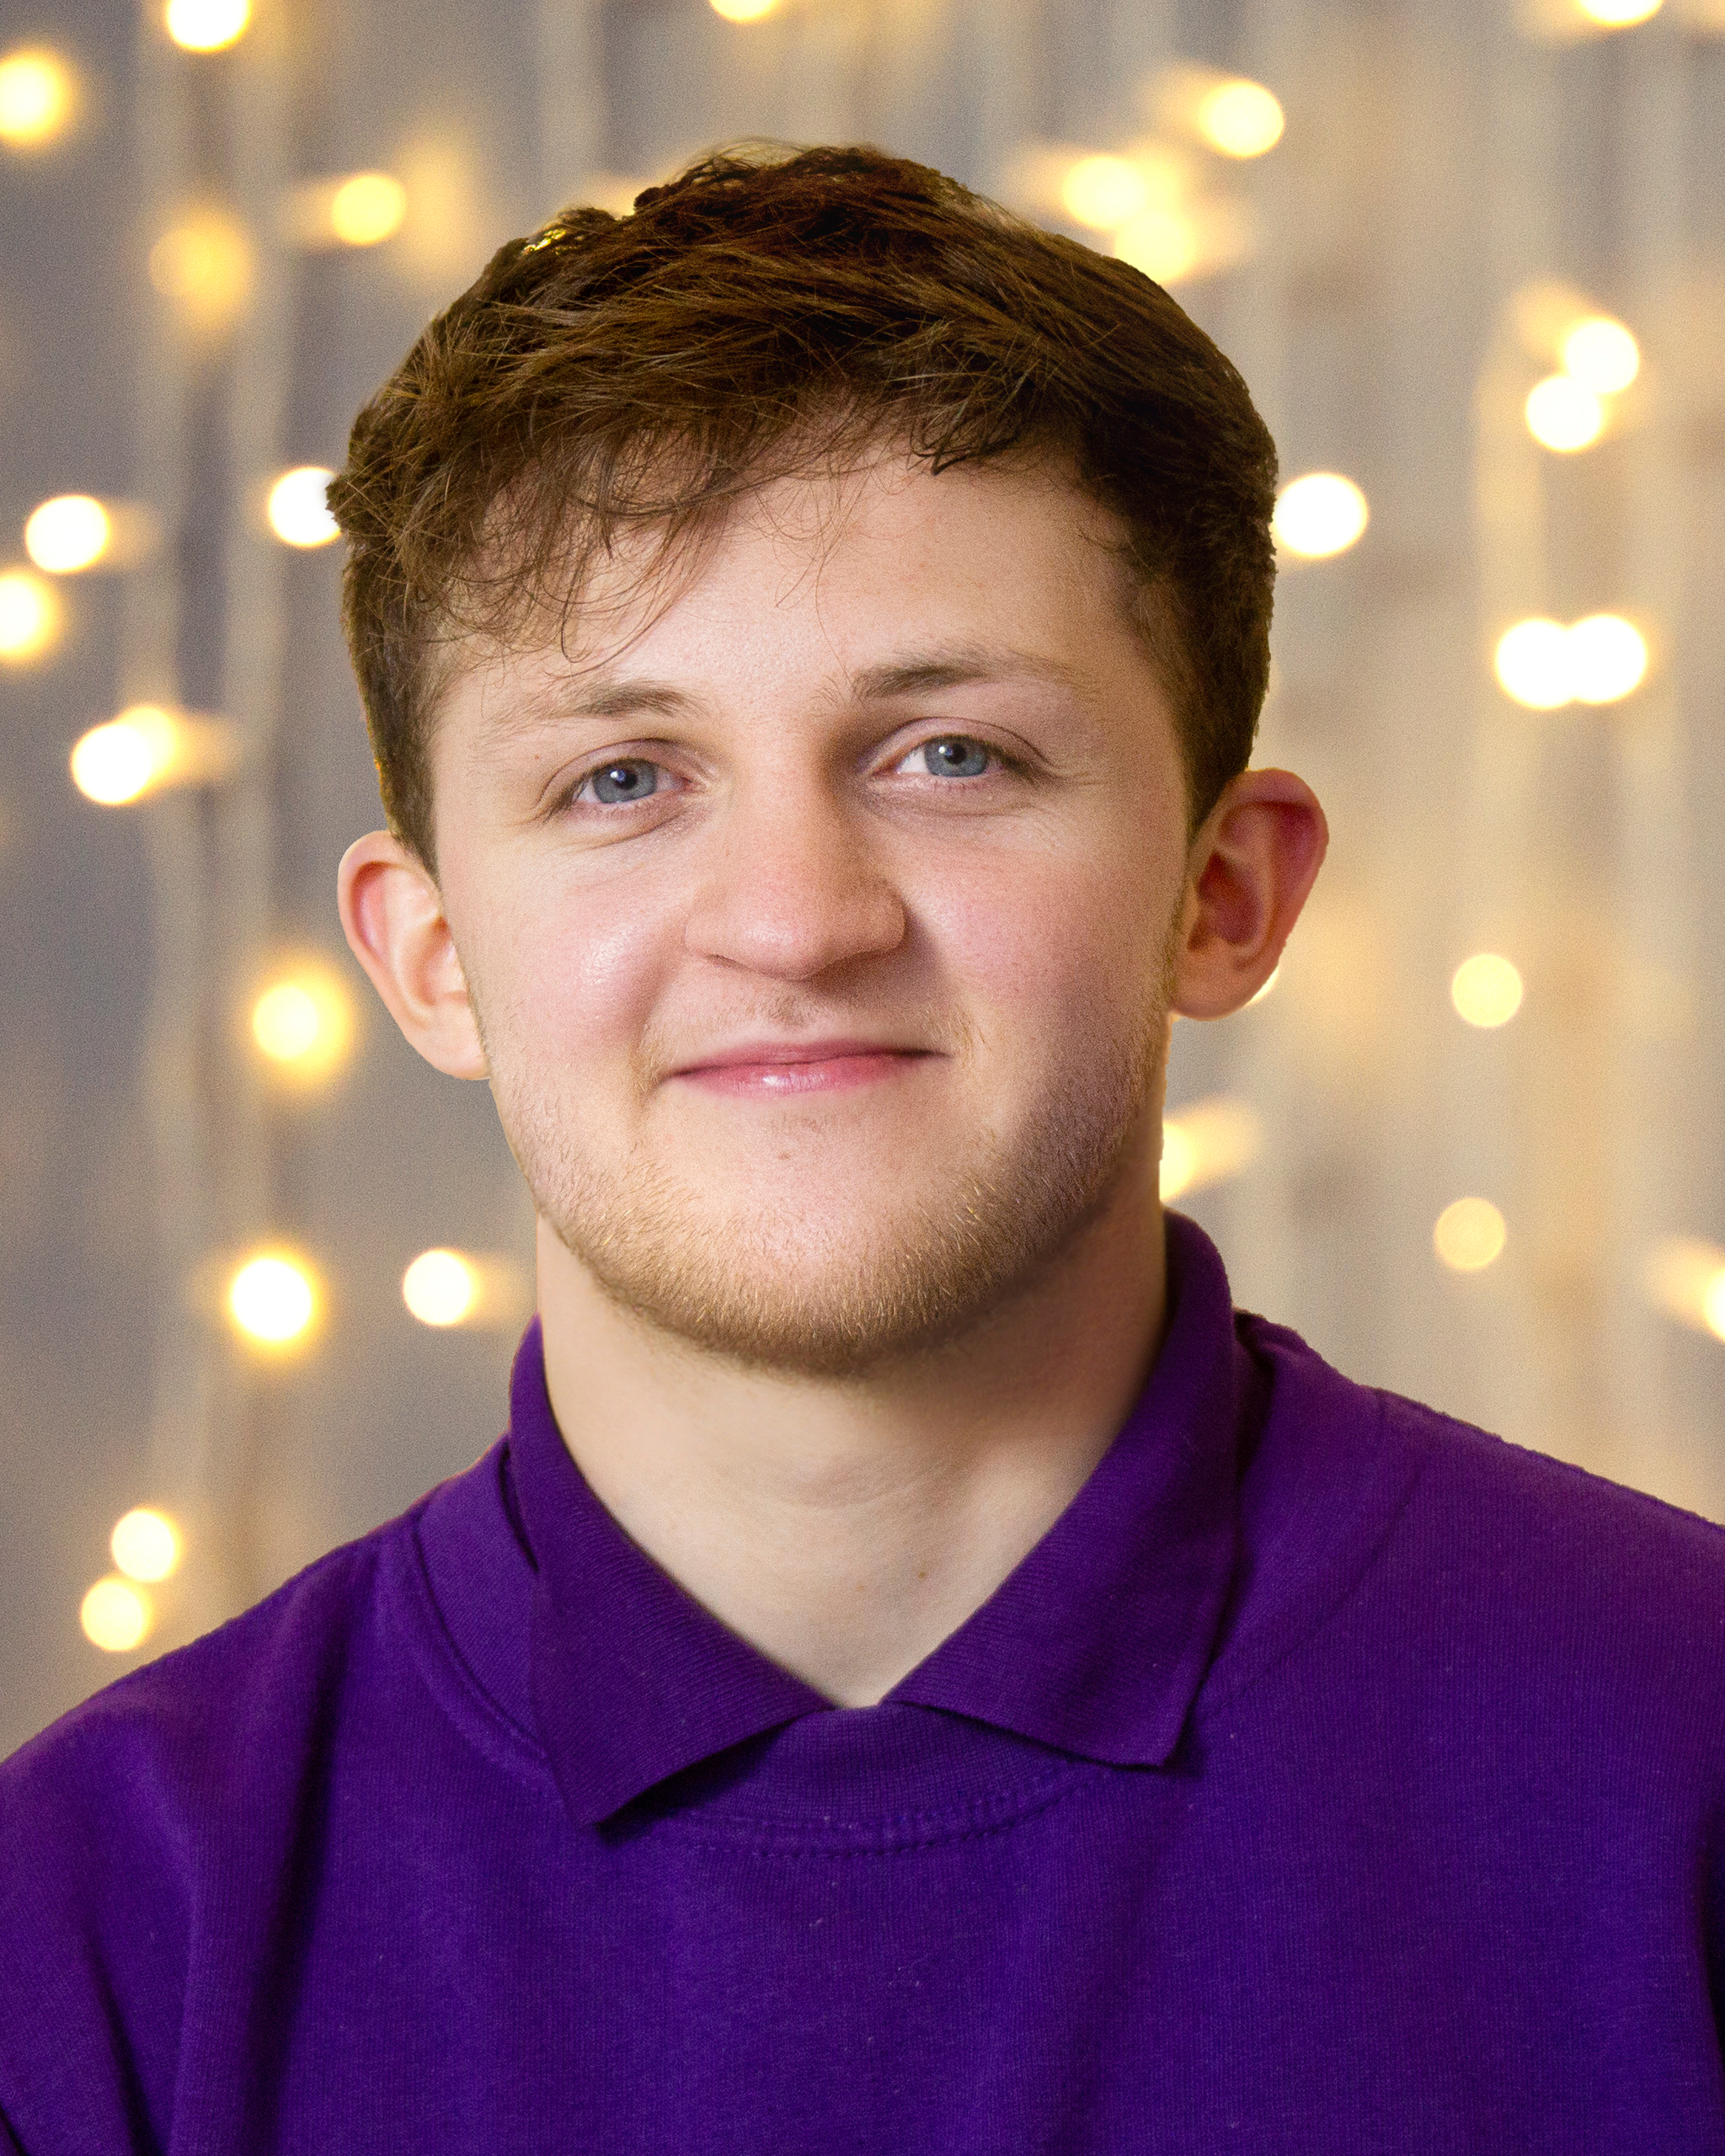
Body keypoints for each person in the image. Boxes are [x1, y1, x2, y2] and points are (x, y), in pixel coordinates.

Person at [3, 143, 1722, 2154]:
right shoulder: (95, 1934)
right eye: (624, 776)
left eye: (951, 754)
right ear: (435, 953)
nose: (798, 917)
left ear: (1220, 892)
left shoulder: (1681, 1764)